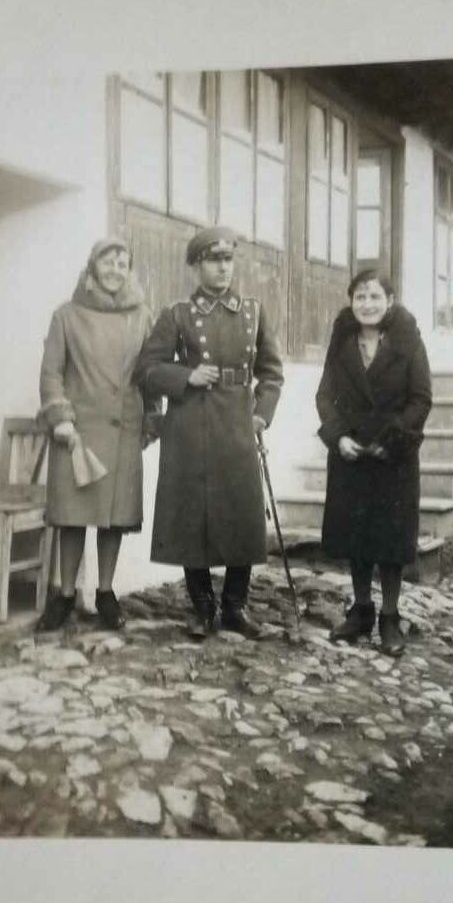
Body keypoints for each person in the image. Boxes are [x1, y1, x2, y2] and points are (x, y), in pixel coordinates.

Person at [135, 226, 284, 639]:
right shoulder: (177, 314)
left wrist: (260, 416)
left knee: (242, 513)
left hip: (237, 422)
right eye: (213, 260)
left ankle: (236, 606)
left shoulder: (253, 312)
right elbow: (146, 371)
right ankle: (203, 607)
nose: (222, 267)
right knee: (190, 517)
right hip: (188, 426)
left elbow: (271, 374)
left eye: (228, 259)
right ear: (196, 266)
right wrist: (187, 375)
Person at [35, 237, 159, 632]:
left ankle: (105, 593)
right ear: (92, 268)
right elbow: (51, 372)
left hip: (123, 427)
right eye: (108, 262)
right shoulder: (66, 316)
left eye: (123, 263)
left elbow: (151, 370)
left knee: (113, 519)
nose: (115, 270)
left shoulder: (142, 316)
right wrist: (61, 419)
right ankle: (65, 595)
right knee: (72, 517)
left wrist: (152, 416)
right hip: (78, 433)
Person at [315, 270, 432, 656]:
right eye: (360, 296)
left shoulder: (408, 341)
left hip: (392, 458)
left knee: (390, 540)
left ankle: (390, 616)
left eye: (375, 297)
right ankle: (361, 609)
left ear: (391, 300)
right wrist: (338, 437)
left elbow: (421, 398)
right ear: (351, 301)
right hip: (351, 454)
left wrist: (393, 441)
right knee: (356, 535)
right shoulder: (342, 340)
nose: (367, 304)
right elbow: (325, 394)